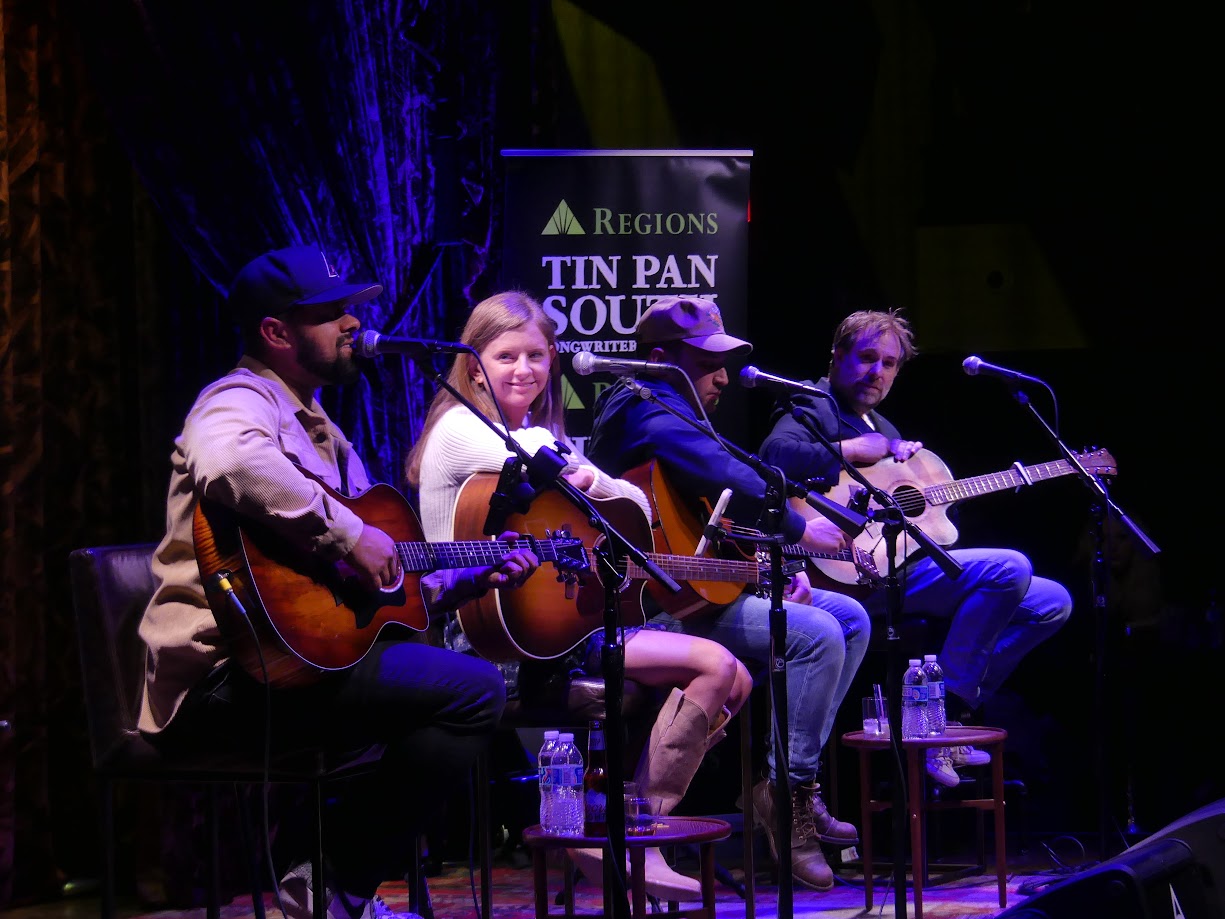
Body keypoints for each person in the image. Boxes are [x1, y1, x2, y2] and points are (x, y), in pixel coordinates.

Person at [137, 246, 543, 919]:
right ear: (276, 332)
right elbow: (227, 458)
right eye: (332, 313)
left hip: (298, 662)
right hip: (223, 674)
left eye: (352, 308)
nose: (354, 323)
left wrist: (465, 579)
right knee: (471, 692)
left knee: (452, 685)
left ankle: (322, 879)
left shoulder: (322, 427)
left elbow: (369, 591)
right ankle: (335, 885)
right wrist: (352, 534)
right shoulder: (236, 400)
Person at [404, 290, 755, 901]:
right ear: (472, 363)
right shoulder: (460, 430)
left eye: (536, 356)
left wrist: (584, 474)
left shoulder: (534, 432)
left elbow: (634, 505)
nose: (523, 371)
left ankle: (617, 825)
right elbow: (565, 476)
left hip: (557, 629)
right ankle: (639, 838)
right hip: (489, 641)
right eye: (505, 356)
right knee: (714, 663)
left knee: (739, 681)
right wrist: (585, 473)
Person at [584, 295, 871, 892]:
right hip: (649, 610)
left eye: (723, 361)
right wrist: (799, 529)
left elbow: (701, 520)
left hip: (694, 591)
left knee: (848, 617)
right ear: (660, 359)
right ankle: (790, 798)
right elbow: (726, 472)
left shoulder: (677, 411)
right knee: (816, 634)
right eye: (705, 362)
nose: (721, 376)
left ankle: (784, 784)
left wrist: (769, 564)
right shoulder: (639, 404)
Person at [758, 308, 1073, 786]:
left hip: (899, 564)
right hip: (844, 572)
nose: (875, 372)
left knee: (1052, 602)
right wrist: (850, 451)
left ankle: (945, 710)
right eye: (865, 357)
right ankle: (939, 730)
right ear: (837, 356)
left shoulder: (883, 426)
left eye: (888, 364)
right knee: (1008, 567)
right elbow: (771, 459)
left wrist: (920, 489)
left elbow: (910, 515)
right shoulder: (812, 405)